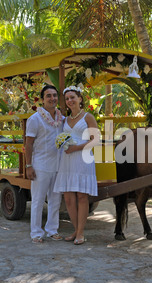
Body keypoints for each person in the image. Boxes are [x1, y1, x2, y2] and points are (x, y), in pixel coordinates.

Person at [54, 86, 99, 245]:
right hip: (67, 160)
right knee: (68, 197)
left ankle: (80, 233)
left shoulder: (88, 117)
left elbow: (95, 139)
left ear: (80, 98)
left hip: (83, 158)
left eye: (72, 97)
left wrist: (76, 148)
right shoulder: (64, 120)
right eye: (67, 99)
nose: (70, 101)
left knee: (81, 195)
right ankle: (76, 230)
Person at [25, 85, 64, 243]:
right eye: (48, 96)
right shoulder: (35, 119)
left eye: (55, 95)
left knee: (55, 199)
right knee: (38, 200)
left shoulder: (61, 119)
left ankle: (52, 230)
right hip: (40, 165)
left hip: (58, 165)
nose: (52, 98)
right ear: (42, 99)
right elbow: (28, 144)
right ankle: (36, 233)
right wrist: (29, 166)